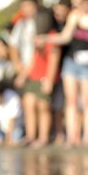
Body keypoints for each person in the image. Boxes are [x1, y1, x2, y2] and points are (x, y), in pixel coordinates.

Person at [47, 0, 88, 146]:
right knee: (71, 101)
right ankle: (72, 137)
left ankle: (87, 137)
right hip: (71, 62)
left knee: (87, 102)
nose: (77, 7)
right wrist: (46, 38)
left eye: (79, 3)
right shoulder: (75, 15)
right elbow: (65, 37)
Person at [21, 9, 59, 147]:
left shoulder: (52, 37)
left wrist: (49, 80)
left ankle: (43, 137)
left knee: (43, 107)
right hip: (33, 76)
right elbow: (33, 58)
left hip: (45, 76)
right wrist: (23, 74)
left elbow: (54, 58)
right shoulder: (37, 36)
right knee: (29, 104)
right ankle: (30, 135)